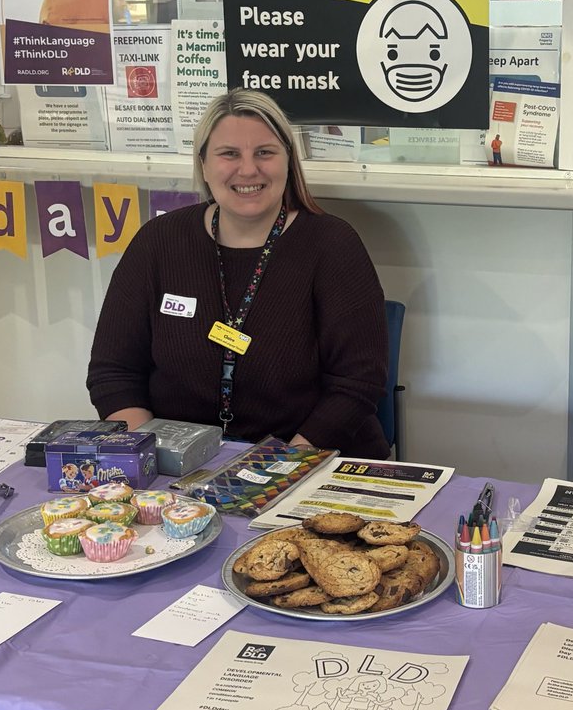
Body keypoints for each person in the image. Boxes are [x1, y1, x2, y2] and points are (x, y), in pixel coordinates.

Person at [86, 89, 390, 458]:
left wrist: (276, 471)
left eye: (264, 152)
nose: (248, 169)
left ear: (288, 162)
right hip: (179, 468)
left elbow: (357, 385)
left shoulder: (332, 244)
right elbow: (114, 373)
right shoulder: (158, 241)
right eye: (229, 153)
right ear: (203, 165)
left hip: (308, 460)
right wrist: (151, 455)